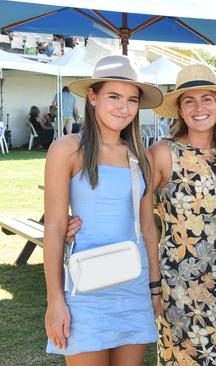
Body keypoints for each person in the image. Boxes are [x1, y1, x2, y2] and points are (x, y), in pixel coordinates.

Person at [44, 55, 163, 364]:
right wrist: (55, 299)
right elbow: (55, 228)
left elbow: (148, 228)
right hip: (85, 287)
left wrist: (153, 288)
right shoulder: (67, 150)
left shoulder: (141, 157)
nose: (123, 107)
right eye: (114, 96)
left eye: (132, 100)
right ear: (93, 97)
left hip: (132, 284)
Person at [149, 64, 216, 365]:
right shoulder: (163, 153)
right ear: (179, 109)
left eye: (206, 99)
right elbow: (132, 209)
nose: (199, 107)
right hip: (177, 278)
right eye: (189, 100)